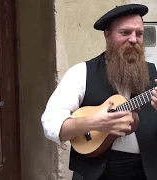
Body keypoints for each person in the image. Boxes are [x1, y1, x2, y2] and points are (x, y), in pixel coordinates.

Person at [41, 4, 157, 180]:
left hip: (147, 173)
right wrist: (92, 123)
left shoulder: (154, 74)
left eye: (139, 33)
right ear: (107, 35)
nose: (134, 39)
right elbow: (51, 124)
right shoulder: (81, 72)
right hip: (95, 175)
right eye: (125, 33)